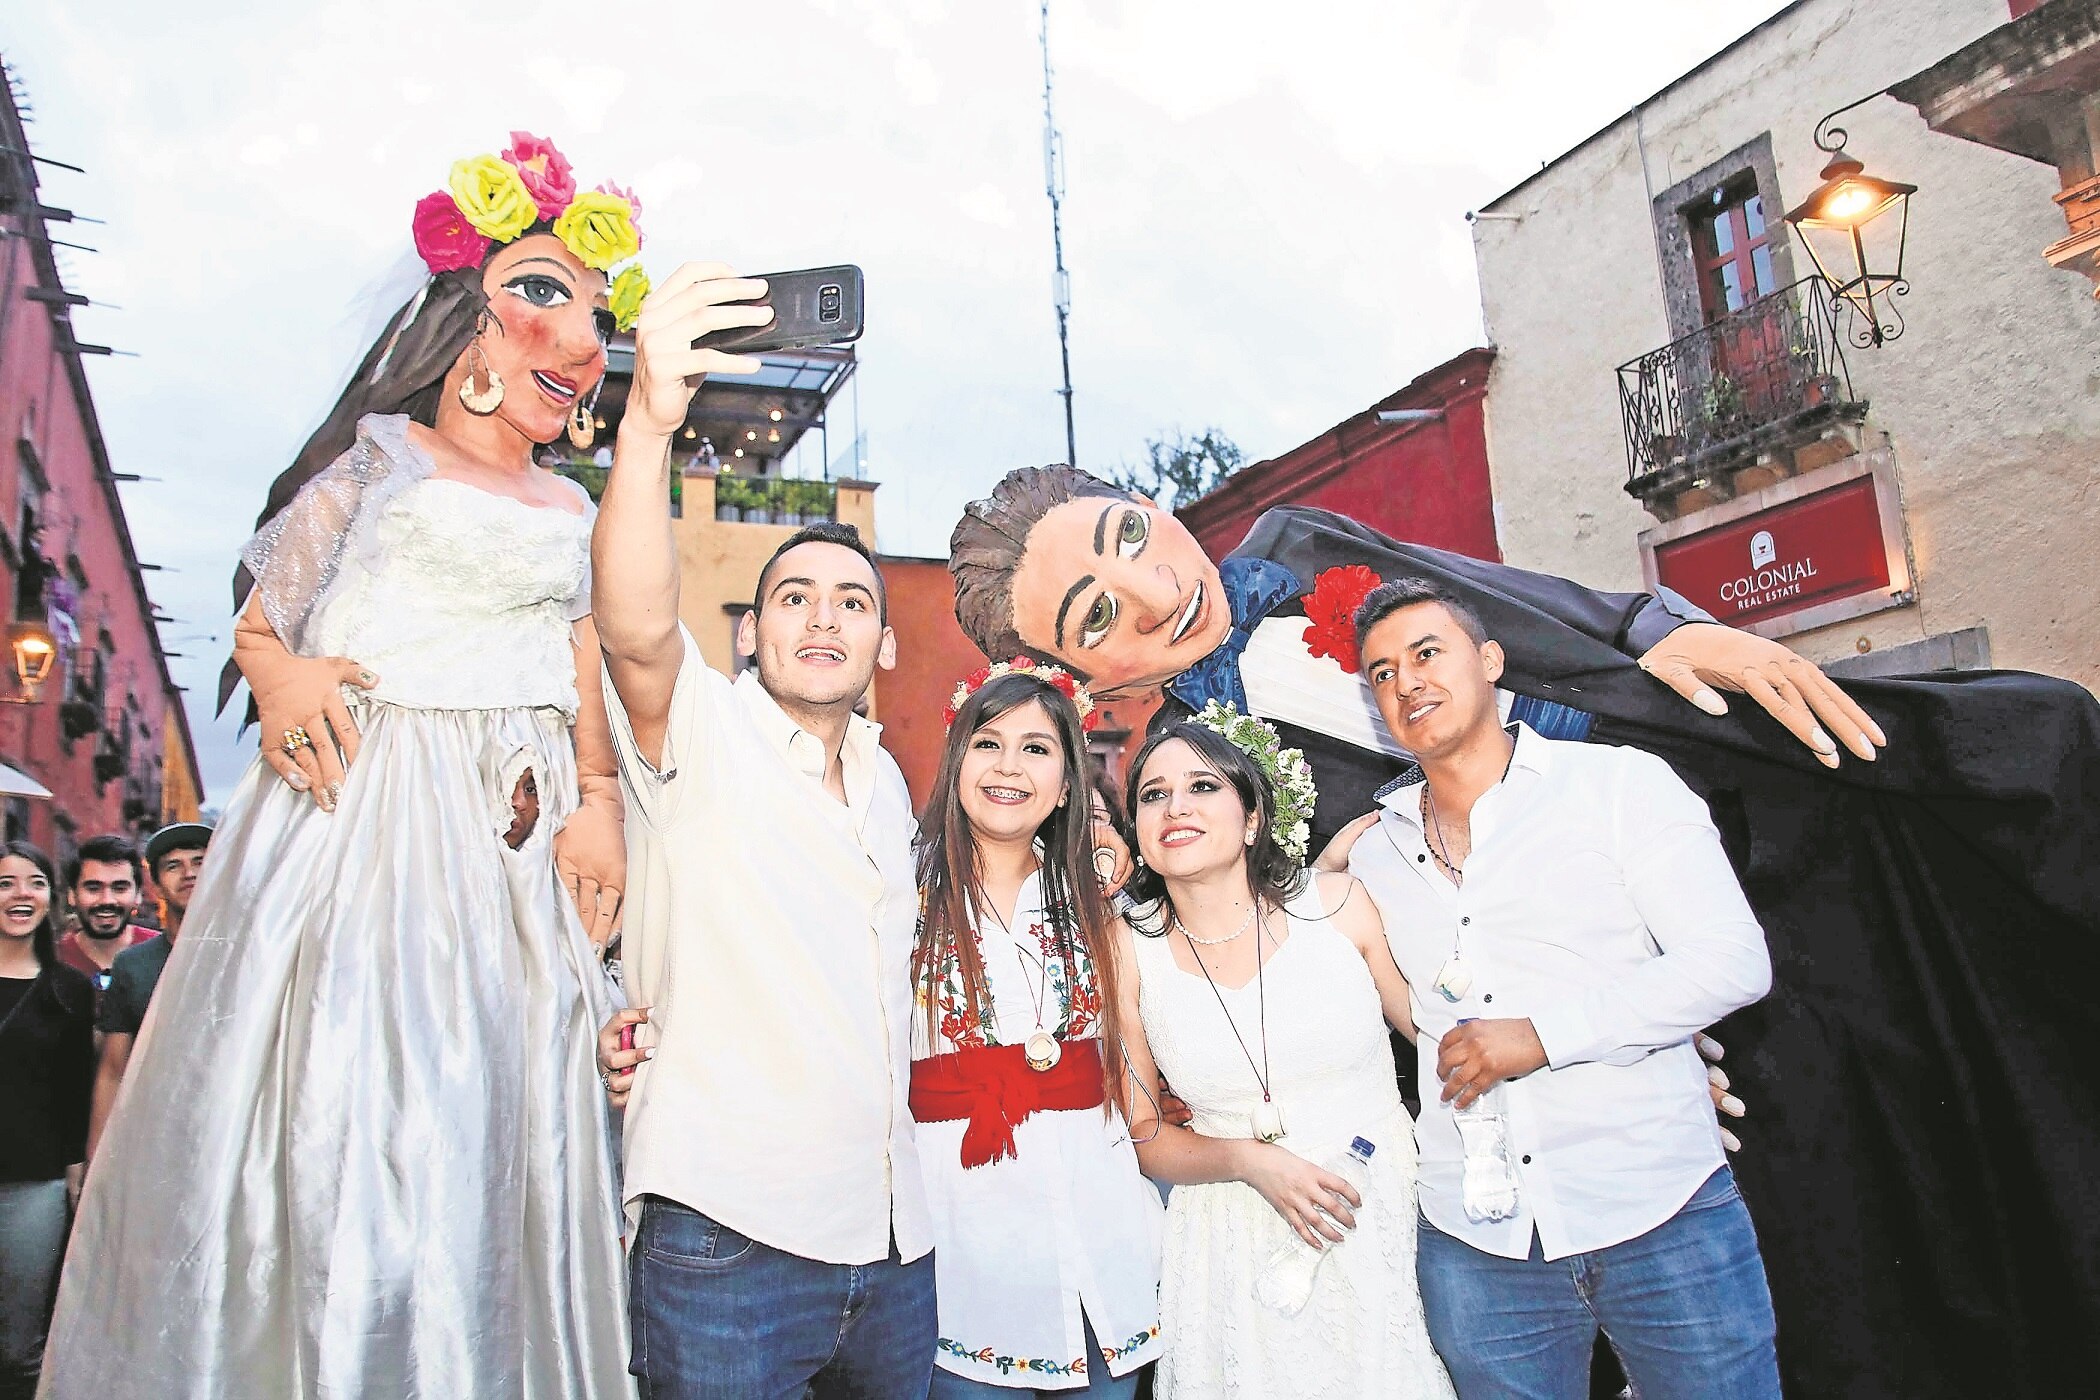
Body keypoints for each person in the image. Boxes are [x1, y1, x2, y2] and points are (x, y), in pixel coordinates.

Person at [950, 470, 2100, 1397]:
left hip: (1688, 807)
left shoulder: (1304, 547)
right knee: (1830, 1214)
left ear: (1155, 509)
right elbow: (1376, 964)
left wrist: (1663, 629)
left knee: (2005, 777)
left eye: (1128, 537)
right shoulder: (1208, 779)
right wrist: (1620, 1027)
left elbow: (1514, 605)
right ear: (1079, 674)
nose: (1151, 593)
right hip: (1559, 1043)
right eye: (1098, 612)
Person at [39, 133, 639, 1399]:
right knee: (364, 1115)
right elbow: (266, 616)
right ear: (462, 326)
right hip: (371, 823)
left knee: (500, 1123)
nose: (581, 337)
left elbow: (574, 645)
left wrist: (594, 799)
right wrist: (280, 669)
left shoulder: (575, 509)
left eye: (593, 310)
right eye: (542, 291)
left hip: (517, 858)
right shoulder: (381, 459)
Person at [591, 260, 933, 1398]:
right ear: (750, 634)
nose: (824, 615)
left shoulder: (891, 785)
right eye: (794, 596)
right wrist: (649, 425)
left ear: (885, 644)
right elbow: (636, 624)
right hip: (728, 1239)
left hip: (895, 1245)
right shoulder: (703, 732)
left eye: (852, 600)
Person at [1342, 578, 1778, 1397]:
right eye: (1382, 673)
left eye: (1427, 654)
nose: (1406, 683)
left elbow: (1732, 959)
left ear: (1491, 660)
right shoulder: (1375, 852)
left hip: (1660, 1212)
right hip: (1478, 1247)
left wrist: (1542, 1034)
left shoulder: (1619, 787)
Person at [1109, 713, 1453, 1399]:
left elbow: (1444, 1038)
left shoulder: (1340, 906)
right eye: (1153, 794)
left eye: (1203, 786)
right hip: (1228, 1241)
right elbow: (1144, 1136)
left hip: (1377, 1215)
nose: (1175, 805)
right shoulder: (1128, 947)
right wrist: (1248, 1159)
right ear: (1140, 837)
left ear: (1252, 817)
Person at [0, 843, 93, 1400]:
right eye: (4, 883)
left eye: (34, 882)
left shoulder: (70, 990)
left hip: (34, 1187)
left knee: (23, 1343)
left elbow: (78, 1088)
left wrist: (77, 1170)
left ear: (52, 899)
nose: (20, 895)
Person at [85, 823, 212, 1163]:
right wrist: (95, 1162)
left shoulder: (247, 956)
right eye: (174, 865)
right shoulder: (132, 965)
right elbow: (113, 1071)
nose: (189, 873)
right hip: (151, 1140)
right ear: (155, 888)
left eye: (201, 862)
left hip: (226, 1138)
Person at [55, 836, 152, 992]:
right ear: (72, 895)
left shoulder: (165, 956)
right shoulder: (51, 961)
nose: (107, 900)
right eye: (93, 888)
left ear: (138, 895)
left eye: (119, 888)